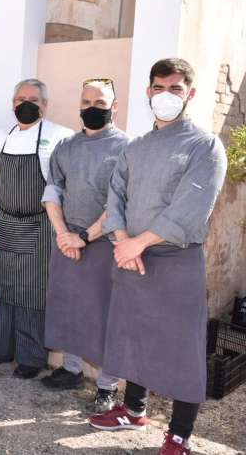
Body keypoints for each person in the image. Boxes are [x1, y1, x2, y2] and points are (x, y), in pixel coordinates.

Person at [89, 58, 226, 455]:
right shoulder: (135, 148)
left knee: (183, 347)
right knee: (134, 335)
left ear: (190, 94)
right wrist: (122, 240)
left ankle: (180, 434)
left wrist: (138, 243)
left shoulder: (204, 146)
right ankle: (134, 410)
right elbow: (115, 197)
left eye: (176, 88)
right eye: (160, 88)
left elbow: (191, 206)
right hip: (129, 256)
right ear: (148, 92)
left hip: (177, 260)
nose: (167, 95)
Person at [39, 78, 130, 413]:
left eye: (100, 103)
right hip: (68, 240)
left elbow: (119, 203)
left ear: (114, 106)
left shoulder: (127, 148)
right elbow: (53, 190)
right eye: (87, 102)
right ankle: (71, 370)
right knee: (69, 306)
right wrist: (63, 233)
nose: (93, 108)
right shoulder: (66, 146)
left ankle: (107, 386)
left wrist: (85, 236)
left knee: (104, 312)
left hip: (105, 241)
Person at [0, 78, 73, 379]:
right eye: (20, 100)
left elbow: (65, 186)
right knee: (3, 287)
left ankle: (31, 357)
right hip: (4, 222)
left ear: (45, 105)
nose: (25, 105)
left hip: (40, 224)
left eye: (33, 100)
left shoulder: (61, 137)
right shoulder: (1, 137)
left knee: (33, 291)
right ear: (12, 104)